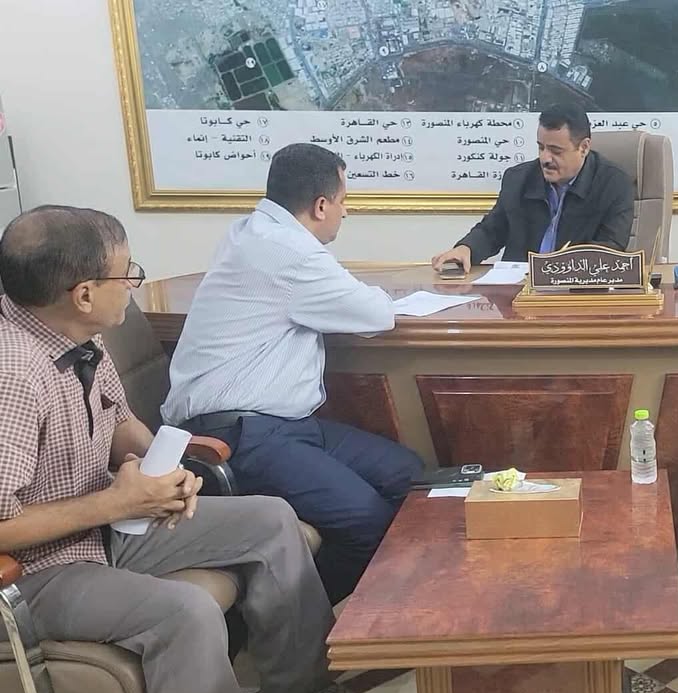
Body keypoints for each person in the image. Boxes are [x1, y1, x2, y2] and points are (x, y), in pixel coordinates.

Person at [0, 206, 336, 693]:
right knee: (188, 611)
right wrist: (116, 503)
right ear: (84, 294)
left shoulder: (75, 331)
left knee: (273, 519)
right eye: (127, 273)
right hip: (33, 573)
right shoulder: (14, 375)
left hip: (104, 528)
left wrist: (169, 476)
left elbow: (119, 421)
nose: (133, 284)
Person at [161, 143, 424, 604]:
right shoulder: (288, 251)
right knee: (366, 522)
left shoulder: (252, 231)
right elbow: (377, 314)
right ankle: (300, 628)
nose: (345, 212)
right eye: (343, 201)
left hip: (286, 425)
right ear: (321, 206)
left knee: (409, 477)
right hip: (240, 435)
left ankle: (382, 610)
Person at [430, 104, 635, 273]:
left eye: (555, 151)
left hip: (577, 293)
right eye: (541, 147)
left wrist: (555, 272)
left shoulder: (614, 184)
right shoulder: (518, 179)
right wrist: (466, 249)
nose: (545, 158)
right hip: (518, 292)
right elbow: (492, 230)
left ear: (584, 147)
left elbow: (610, 249)